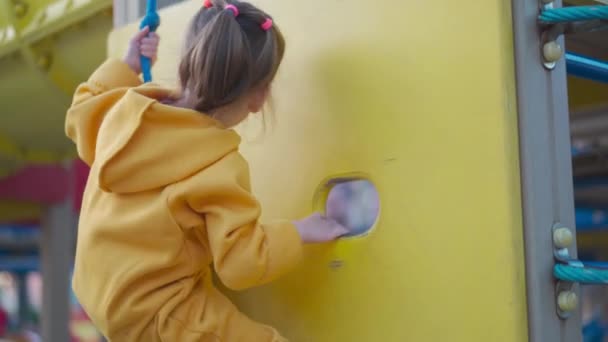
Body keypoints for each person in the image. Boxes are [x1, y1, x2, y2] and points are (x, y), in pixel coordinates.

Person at [65, 0, 347, 341]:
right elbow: (241, 263)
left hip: (95, 288)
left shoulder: (125, 110)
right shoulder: (218, 166)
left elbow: (81, 113)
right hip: (156, 316)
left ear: (189, 63)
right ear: (259, 97)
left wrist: (125, 65)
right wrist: (301, 231)